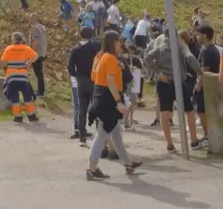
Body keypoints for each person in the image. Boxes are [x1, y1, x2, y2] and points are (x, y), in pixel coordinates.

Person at [86, 30, 142, 180]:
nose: (120, 44)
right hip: (108, 98)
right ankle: (91, 168)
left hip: (101, 95)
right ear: (113, 42)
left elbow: (96, 77)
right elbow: (110, 81)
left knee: (115, 133)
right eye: (118, 41)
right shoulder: (110, 58)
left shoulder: (102, 56)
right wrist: (118, 101)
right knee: (102, 135)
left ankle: (128, 163)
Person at [144, 28, 203, 151]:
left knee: (165, 112)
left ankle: (170, 144)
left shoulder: (160, 47)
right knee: (189, 111)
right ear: (176, 35)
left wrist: (158, 72)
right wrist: (200, 72)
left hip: (163, 82)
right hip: (179, 82)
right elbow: (190, 57)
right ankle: (194, 140)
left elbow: (147, 59)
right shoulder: (181, 46)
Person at [67, 26, 100, 144]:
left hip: (81, 81)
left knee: (82, 109)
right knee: (96, 107)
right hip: (94, 80)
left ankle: (82, 137)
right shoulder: (96, 46)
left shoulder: (75, 49)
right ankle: (100, 136)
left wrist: (77, 75)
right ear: (92, 35)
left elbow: (70, 67)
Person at [0, 32, 39, 123]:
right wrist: (29, 62)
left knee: (14, 97)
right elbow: (36, 56)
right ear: (22, 39)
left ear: (13, 39)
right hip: (22, 77)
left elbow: (3, 62)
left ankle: (17, 117)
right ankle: (31, 116)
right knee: (27, 96)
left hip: (11, 77)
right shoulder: (26, 48)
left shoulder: (9, 48)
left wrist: (9, 66)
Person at [195, 24, 218, 144]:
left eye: (198, 34)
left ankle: (207, 136)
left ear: (205, 35)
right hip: (213, 86)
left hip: (206, 86)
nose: (196, 36)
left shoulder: (205, 51)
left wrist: (199, 84)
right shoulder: (214, 48)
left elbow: (205, 70)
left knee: (202, 111)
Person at [28, 13, 47, 98]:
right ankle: (40, 90)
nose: (29, 20)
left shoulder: (36, 29)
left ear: (34, 19)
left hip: (36, 54)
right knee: (39, 73)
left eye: (30, 18)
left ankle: (40, 92)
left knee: (38, 73)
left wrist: (30, 54)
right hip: (41, 53)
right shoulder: (42, 28)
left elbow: (35, 43)